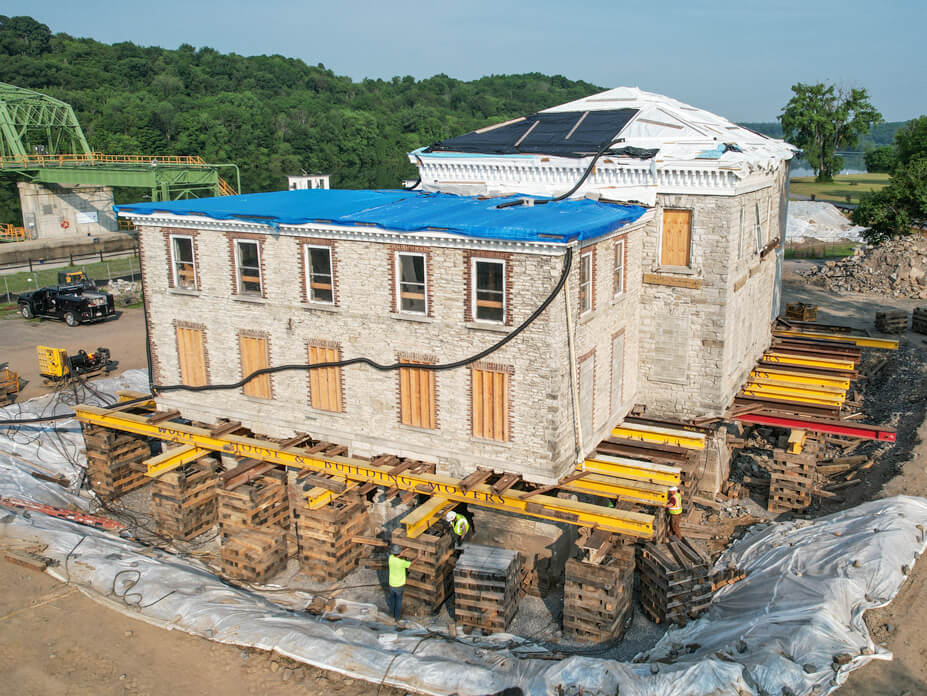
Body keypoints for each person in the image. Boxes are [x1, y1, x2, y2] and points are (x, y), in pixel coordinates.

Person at [387, 544, 415, 622]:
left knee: (392, 599)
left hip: (391, 584)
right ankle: (397, 618)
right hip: (399, 585)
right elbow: (411, 564)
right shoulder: (401, 562)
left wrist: (405, 550)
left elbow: (398, 555)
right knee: (398, 602)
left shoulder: (390, 558)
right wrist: (418, 557)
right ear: (399, 553)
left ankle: (391, 613)